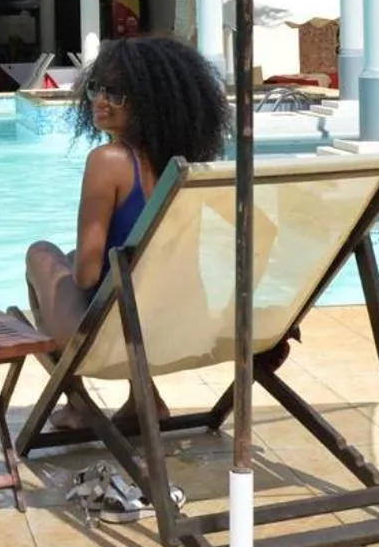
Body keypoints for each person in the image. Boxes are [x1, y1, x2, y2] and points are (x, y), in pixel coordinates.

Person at [24, 35, 230, 430]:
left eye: (117, 93)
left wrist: (71, 266)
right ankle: (143, 399)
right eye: (98, 87)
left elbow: (86, 276)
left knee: (41, 253)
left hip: (117, 338)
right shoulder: (191, 170)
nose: (100, 100)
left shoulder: (110, 162)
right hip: (183, 327)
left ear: (152, 102)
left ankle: (79, 403)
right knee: (115, 270)